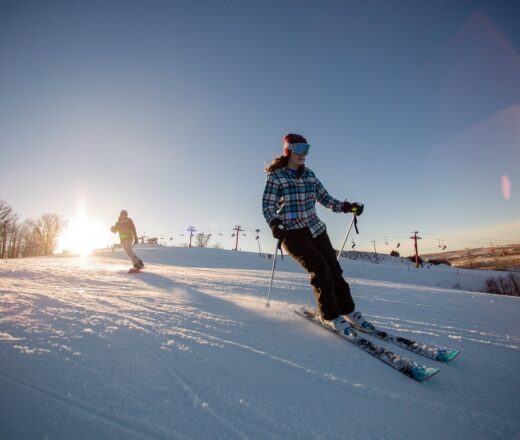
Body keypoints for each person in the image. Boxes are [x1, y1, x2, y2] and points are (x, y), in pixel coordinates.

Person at [262, 133, 374, 335]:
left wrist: (347, 207)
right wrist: (275, 223)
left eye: (306, 149)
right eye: (299, 149)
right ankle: (330, 315)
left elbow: (326, 199)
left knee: (334, 269)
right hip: (292, 232)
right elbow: (267, 205)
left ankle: (348, 310)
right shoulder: (276, 176)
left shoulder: (310, 175)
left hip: (316, 228)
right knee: (321, 270)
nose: (303, 154)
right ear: (288, 150)